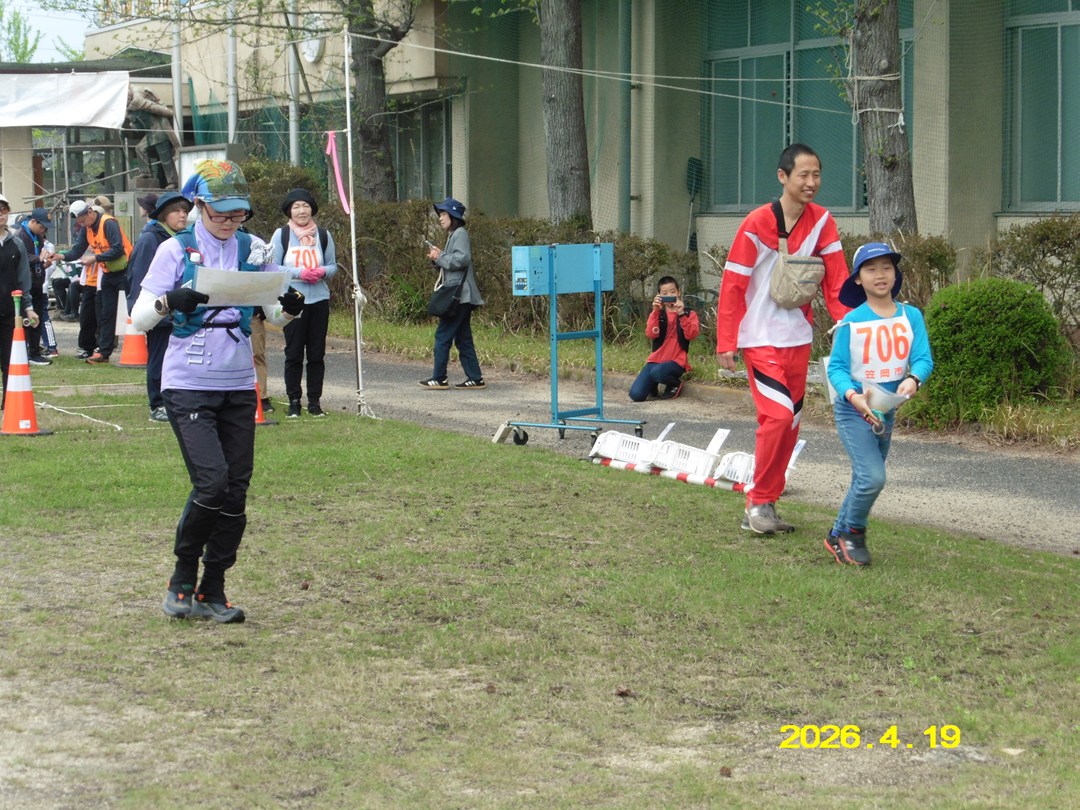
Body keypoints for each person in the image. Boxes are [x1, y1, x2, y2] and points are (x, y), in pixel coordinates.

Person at [130, 159, 304, 623]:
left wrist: (290, 306)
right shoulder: (174, 250)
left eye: (238, 213)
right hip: (187, 383)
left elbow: (274, 313)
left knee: (236, 491)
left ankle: (214, 588)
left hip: (237, 383)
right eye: (221, 213)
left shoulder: (254, 247)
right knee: (212, 483)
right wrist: (169, 302)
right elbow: (139, 318)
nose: (229, 222)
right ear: (199, 206)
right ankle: (182, 578)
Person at [716, 143, 850, 535]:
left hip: (798, 338)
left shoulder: (823, 221)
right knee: (776, 417)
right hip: (759, 337)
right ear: (783, 176)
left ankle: (766, 504)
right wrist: (727, 340)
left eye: (817, 175)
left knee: (790, 424)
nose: (811, 182)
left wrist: (849, 327)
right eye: (803, 175)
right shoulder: (756, 222)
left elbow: (838, 280)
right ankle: (757, 501)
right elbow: (733, 283)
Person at [824, 243, 933, 566]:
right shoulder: (851, 321)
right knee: (873, 478)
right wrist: (853, 397)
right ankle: (853, 534)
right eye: (870, 269)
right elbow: (836, 369)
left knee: (866, 477)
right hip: (853, 410)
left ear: (896, 274)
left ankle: (836, 535)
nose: (880, 275)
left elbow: (923, 359)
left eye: (887, 267)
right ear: (858, 279)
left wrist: (914, 379)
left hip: (886, 411)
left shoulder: (911, 316)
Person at [271, 188, 338, 418]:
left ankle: (315, 402)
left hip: (319, 300)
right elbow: (273, 267)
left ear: (312, 210)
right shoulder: (281, 235)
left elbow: (333, 266)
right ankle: (293, 402)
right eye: (296, 207)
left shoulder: (324, 235)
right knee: (294, 353)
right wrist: (300, 273)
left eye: (306, 206)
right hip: (293, 301)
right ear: (289, 211)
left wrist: (322, 272)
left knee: (317, 353)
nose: (302, 211)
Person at [126, 191, 192, 422]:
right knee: (159, 357)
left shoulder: (183, 238)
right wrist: (150, 312)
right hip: (159, 312)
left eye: (185, 211)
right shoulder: (150, 239)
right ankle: (157, 404)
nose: (182, 215)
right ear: (164, 215)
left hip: (181, 314)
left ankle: (176, 402)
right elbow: (139, 278)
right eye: (176, 211)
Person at [53, 199, 132, 364]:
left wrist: (95, 258)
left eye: (83, 221)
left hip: (126, 271)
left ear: (90, 212)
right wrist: (60, 256)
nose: (82, 225)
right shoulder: (86, 229)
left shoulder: (108, 223)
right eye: (79, 222)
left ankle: (143, 344)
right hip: (108, 272)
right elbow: (77, 250)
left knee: (133, 308)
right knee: (106, 313)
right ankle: (104, 352)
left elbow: (117, 249)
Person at [419, 196, 485, 390]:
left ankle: (439, 378)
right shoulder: (454, 235)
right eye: (440, 214)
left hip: (459, 296)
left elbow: (462, 259)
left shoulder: (460, 234)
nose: (440, 218)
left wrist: (440, 257)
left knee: (442, 336)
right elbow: (452, 261)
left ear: (453, 216)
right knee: (463, 339)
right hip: (461, 295)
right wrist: (438, 257)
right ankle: (475, 378)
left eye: (443, 214)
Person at [629, 276, 699, 401]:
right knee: (636, 395)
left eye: (672, 292)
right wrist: (655, 311)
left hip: (676, 362)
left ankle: (675, 384)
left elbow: (691, 335)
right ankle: (653, 386)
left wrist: (681, 314)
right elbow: (651, 334)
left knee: (657, 372)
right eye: (665, 293)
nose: (669, 295)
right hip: (655, 361)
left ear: (679, 292)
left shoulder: (689, 313)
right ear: (659, 295)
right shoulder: (658, 314)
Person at [0, 194, 40, 410]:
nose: (1, 214)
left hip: (10, 313)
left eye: (4, 209)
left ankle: (10, 404)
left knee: (11, 360)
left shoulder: (16, 243)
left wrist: (29, 308)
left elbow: (24, 279)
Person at [16, 208, 55, 365]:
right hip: (26, 286)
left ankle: (34, 351)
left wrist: (44, 264)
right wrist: (38, 258)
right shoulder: (20, 236)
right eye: (42, 226)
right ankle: (26, 352)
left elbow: (36, 261)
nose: (44, 230)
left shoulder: (37, 236)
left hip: (37, 283)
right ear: (33, 221)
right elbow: (22, 259)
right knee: (26, 319)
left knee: (37, 318)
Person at [125, 88, 180, 189]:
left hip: (159, 130)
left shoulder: (143, 103)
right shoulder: (130, 110)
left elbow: (166, 113)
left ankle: (173, 181)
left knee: (165, 158)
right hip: (150, 132)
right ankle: (145, 172)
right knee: (139, 149)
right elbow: (139, 128)